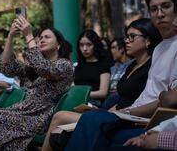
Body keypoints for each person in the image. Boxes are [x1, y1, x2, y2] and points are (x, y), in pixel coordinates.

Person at [63, 0, 177, 150]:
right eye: (154, 9)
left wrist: (127, 113)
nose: (160, 14)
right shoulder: (159, 48)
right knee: (84, 122)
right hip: (134, 113)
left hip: (149, 119)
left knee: (91, 121)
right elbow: (150, 94)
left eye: (165, 6)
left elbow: (168, 101)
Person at [41, 18, 162, 151]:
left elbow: (145, 100)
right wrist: (104, 111)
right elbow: (122, 98)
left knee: (60, 117)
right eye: (127, 36)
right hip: (115, 113)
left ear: (148, 40)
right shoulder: (132, 65)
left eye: (132, 37)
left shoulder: (152, 66)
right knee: (59, 126)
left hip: (128, 117)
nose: (127, 41)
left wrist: (117, 112)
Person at [0, 17, 73, 150]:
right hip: (22, 112)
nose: (41, 39)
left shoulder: (64, 65)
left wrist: (29, 35)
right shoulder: (32, 68)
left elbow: (44, 68)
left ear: (58, 44)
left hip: (39, 116)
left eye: (47, 37)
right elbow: (6, 66)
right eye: (40, 37)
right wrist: (10, 35)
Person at [74, 30, 111, 106]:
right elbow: (73, 87)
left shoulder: (103, 65)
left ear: (95, 45)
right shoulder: (79, 65)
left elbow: (103, 93)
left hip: (94, 103)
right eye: (81, 45)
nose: (84, 48)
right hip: (77, 101)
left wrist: (82, 94)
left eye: (88, 44)